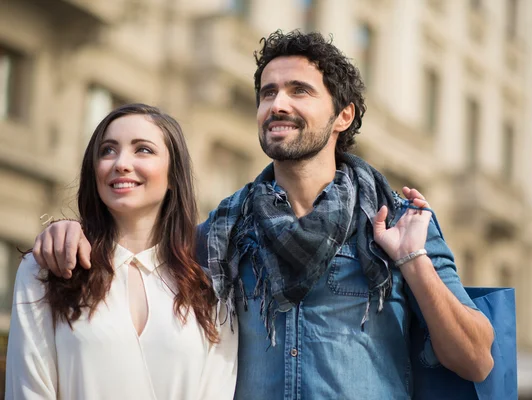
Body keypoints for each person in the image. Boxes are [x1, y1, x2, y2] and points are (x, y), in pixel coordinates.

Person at [32, 31, 494, 399]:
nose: (278, 104)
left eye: (299, 91)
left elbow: (476, 359)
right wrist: (71, 230)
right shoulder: (217, 233)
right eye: (268, 92)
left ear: (343, 116)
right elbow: (134, 261)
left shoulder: (398, 222)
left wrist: (413, 260)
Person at [7, 104, 237, 399]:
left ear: (172, 176)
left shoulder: (213, 289)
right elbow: (27, 389)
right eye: (107, 150)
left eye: (143, 150)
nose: (121, 163)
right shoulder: (46, 268)